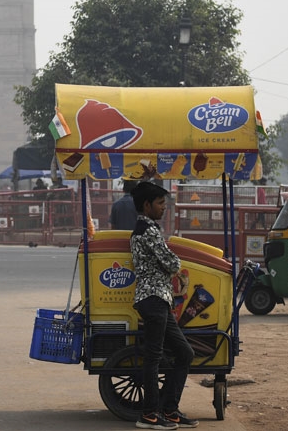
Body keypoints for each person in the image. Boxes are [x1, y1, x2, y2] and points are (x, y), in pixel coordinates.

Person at [129, 181, 198, 429]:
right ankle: (149, 414)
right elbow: (172, 263)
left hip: (159, 300)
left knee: (184, 353)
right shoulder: (148, 231)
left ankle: (169, 410)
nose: (164, 208)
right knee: (154, 357)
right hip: (153, 299)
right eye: (160, 203)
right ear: (147, 205)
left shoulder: (146, 229)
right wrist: (175, 262)